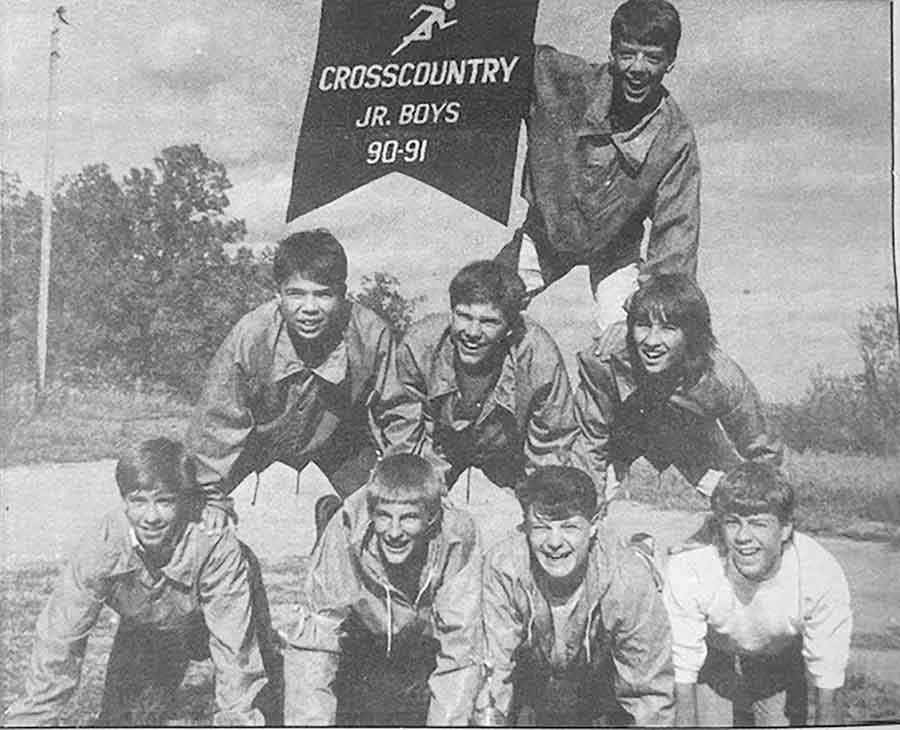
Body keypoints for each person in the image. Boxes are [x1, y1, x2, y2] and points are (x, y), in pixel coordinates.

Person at [2, 438, 271, 727]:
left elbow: (236, 652)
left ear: (184, 501)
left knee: (268, 701)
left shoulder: (214, 544)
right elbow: (61, 636)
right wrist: (31, 719)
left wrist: (238, 720)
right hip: (153, 625)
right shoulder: (102, 544)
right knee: (124, 721)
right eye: (138, 501)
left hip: (225, 614)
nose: (151, 517)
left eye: (165, 501)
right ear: (125, 502)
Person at [495, 0, 700, 331]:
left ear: (671, 62)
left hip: (616, 248)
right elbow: (504, 56)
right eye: (627, 53)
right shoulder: (562, 80)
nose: (638, 67)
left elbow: (677, 233)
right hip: (547, 232)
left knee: (634, 335)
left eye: (652, 57)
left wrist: (659, 308)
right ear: (611, 52)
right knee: (485, 303)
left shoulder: (675, 138)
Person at [186, 228, 395, 541]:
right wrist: (211, 497)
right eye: (296, 293)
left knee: (388, 519)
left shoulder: (371, 334)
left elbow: (399, 412)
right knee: (194, 515)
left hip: (337, 439)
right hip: (257, 437)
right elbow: (217, 421)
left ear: (342, 293)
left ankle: (335, 532)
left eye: (323, 294)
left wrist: (403, 484)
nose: (309, 308)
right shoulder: (251, 334)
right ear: (278, 293)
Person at [283, 453, 483, 725]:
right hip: (363, 636)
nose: (394, 532)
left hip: (422, 642)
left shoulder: (458, 535)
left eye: (409, 518)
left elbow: (460, 648)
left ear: (431, 518)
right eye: (384, 517)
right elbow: (315, 646)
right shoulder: (345, 531)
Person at [475, 465, 674, 726]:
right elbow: (494, 671)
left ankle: (642, 550)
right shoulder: (504, 567)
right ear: (525, 526)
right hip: (536, 671)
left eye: (569, 527)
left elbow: (649, 691)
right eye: (542, 527)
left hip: (602, 675)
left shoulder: (628, 580)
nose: (554, 542)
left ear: (593, 526)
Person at [663, 463, 852, 726]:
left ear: (785, 529)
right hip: (714, 653)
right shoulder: (691, 566)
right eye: (732, 523)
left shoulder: (820, 573)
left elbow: (828, 683)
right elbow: (682, 674)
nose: (743, 537)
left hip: (780, 654)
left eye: (758, 524)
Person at [573, 273, 782, 507]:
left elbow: (763, 453)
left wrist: (767, 506)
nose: (651, 341)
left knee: (742, 500)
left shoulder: (721, 378)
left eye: (668, 328)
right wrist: (585, 504)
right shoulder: (604, 360)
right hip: (624, 431)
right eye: (642, 325)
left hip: (687, 436)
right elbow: (591, 442)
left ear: (692, 335)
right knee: (580, 499)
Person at [375, 259, 580, 493]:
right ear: (451, 312)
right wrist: (419, 491)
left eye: (489, 322)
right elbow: (403, 431)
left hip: (511, 461)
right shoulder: (420, 345)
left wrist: (535, 502)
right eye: (464, 316)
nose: (472, 332)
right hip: (436, 452)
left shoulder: (539, 357)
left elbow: (550, 449)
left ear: (510, 327)